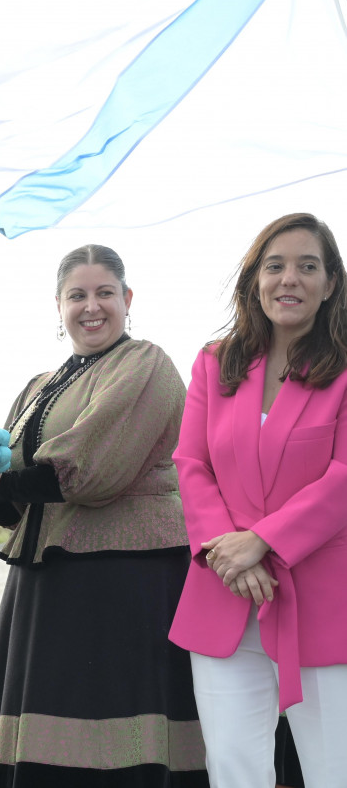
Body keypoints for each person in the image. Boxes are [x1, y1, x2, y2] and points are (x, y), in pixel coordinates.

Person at [0, 245, 208, 786]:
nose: (91, 307)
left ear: (127, 299)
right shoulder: (38, 386)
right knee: (48, 743)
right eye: (77, 295)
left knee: (113, 736)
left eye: (104, 294)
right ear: (58, 305)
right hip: (47, 586)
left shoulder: (146, 364)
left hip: (124, 579)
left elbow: (91, 471)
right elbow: (22, 503)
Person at [168, 213, 347, 787]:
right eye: (275, 266)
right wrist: (230, 555)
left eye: (307, 266)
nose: (288, 278)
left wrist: (262, 543)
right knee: (234, 771)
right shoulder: (213, 363)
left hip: (324, 600)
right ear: (255, 279)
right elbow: (191, 466)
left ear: (330, 284)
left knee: (333, 770)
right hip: (223, 592)